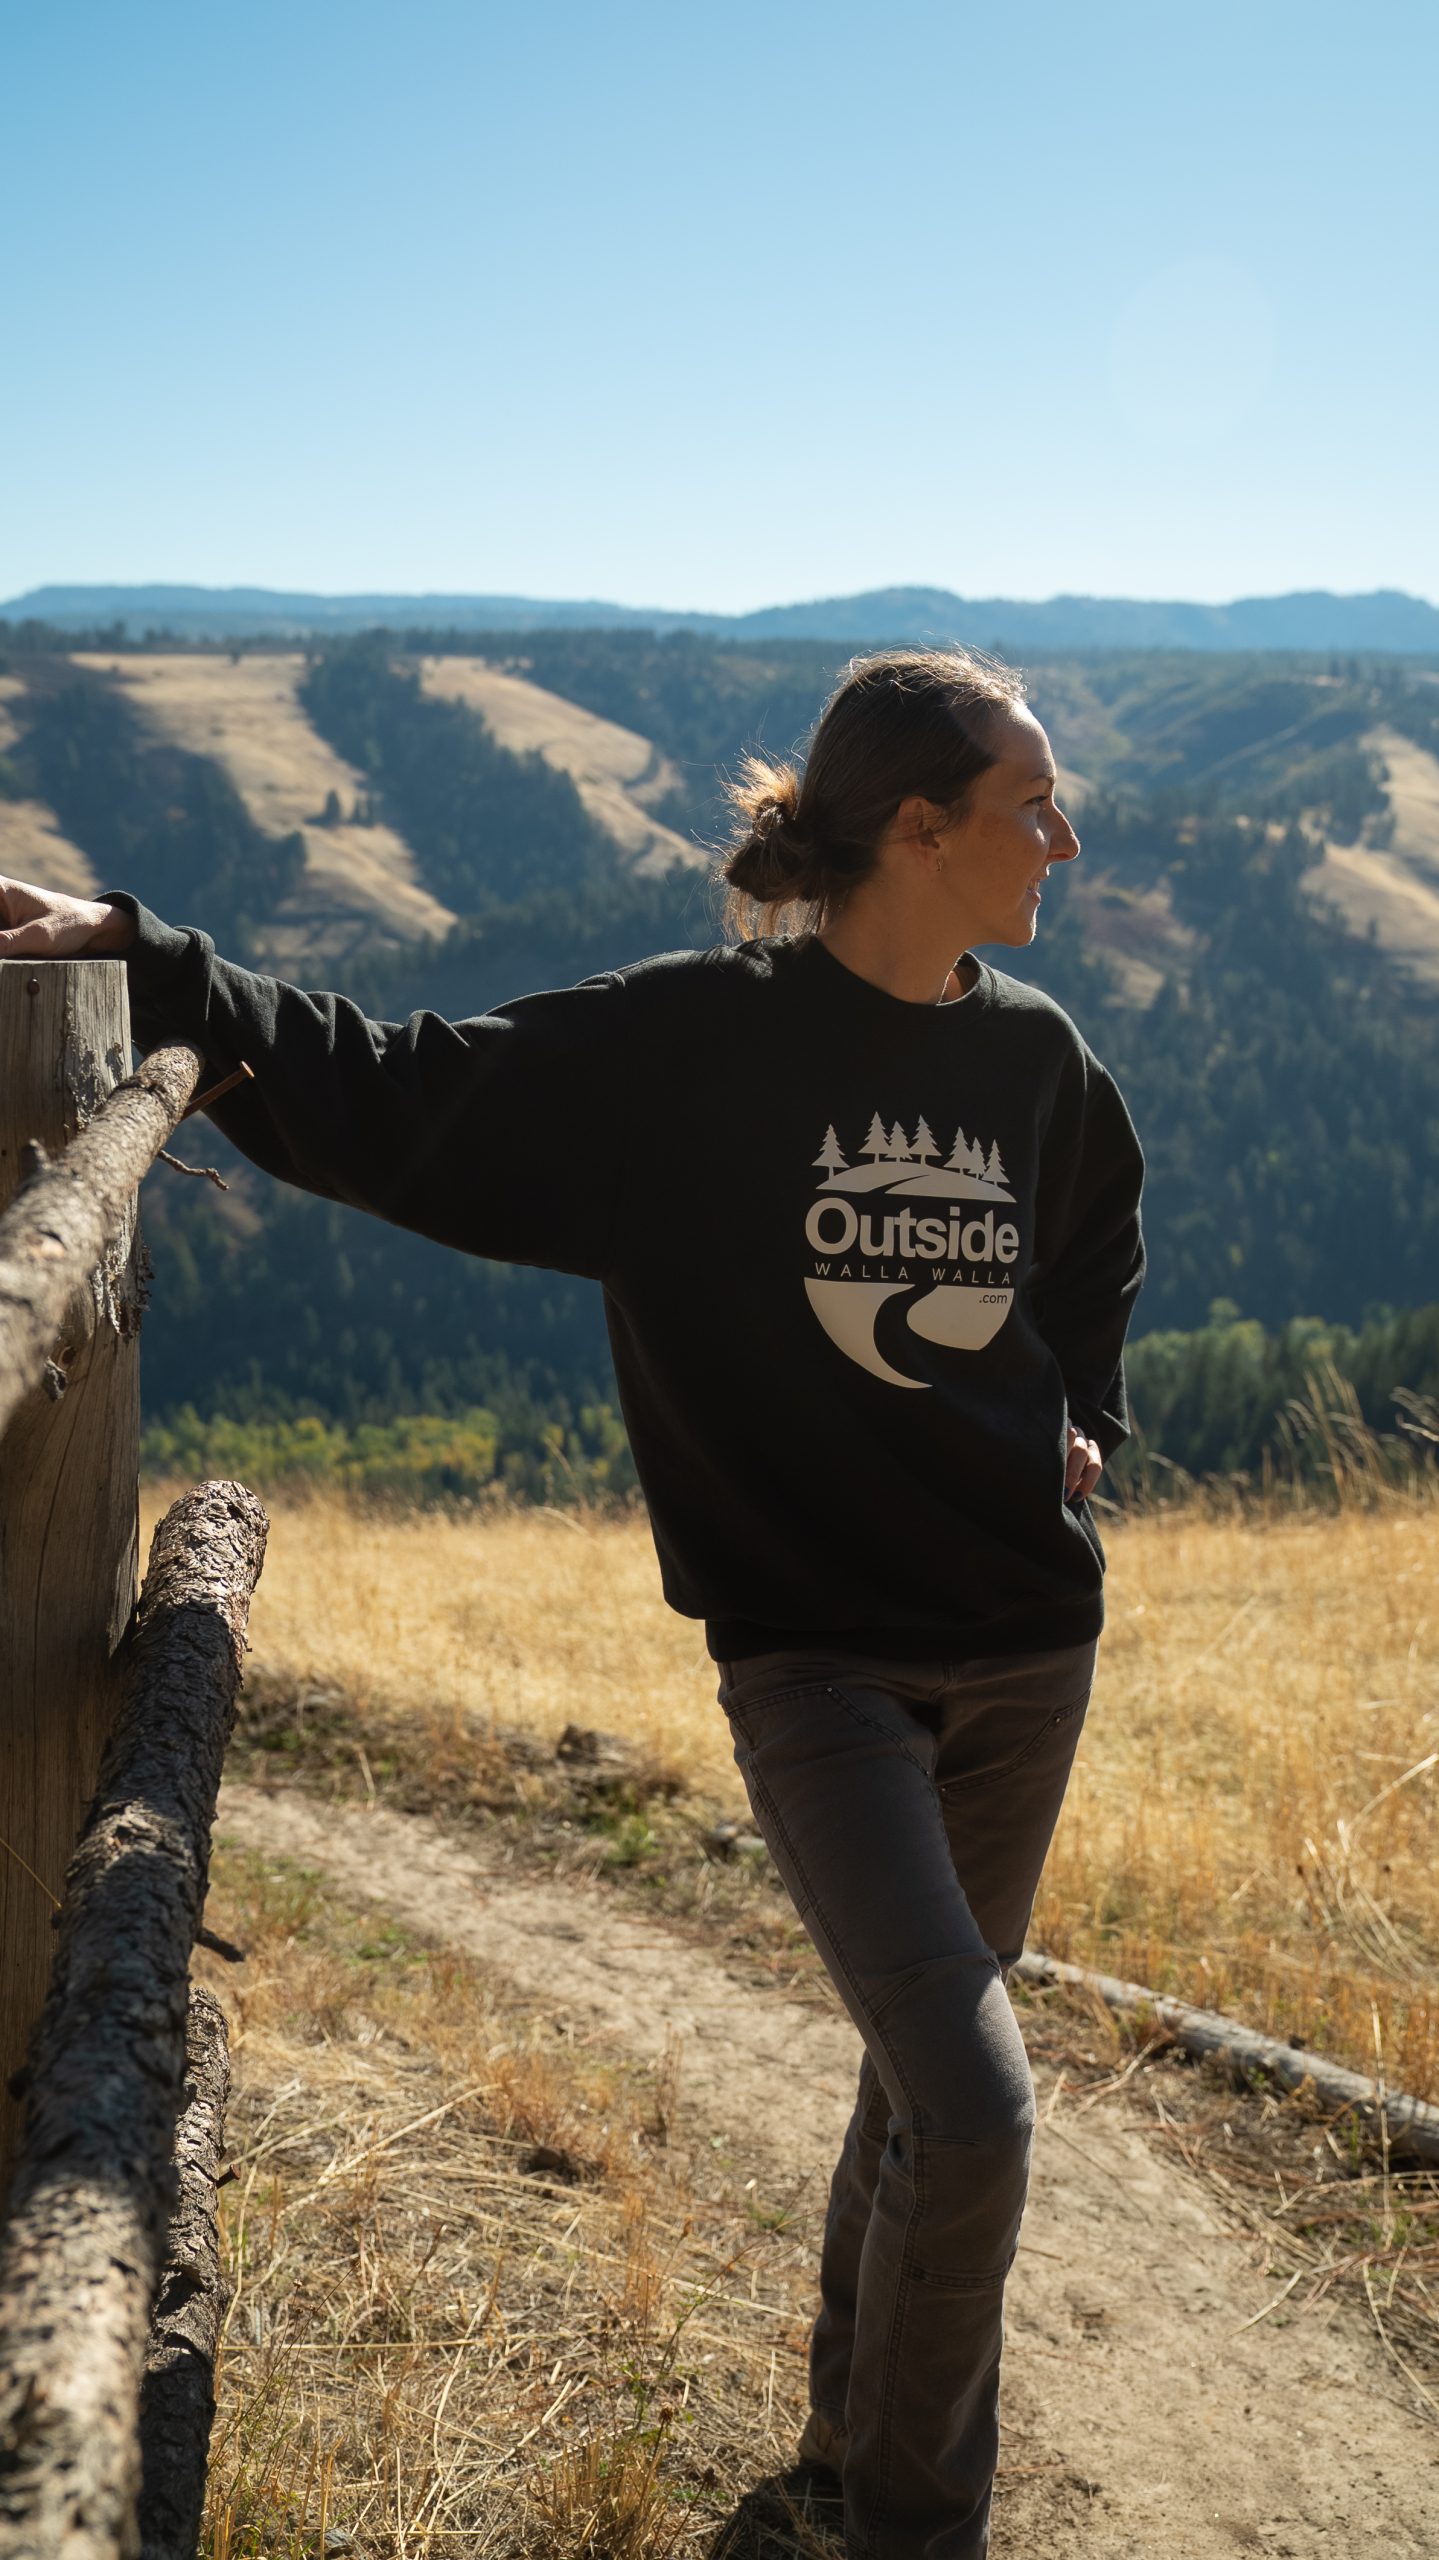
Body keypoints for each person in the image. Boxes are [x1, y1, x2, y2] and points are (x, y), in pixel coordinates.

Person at [0, 646, 1144, 2560]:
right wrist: (158, 958)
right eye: (1035, 803)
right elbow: (402, 1091)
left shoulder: (1035, 1060)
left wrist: (1085, 1407)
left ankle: (844, 2455)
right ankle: (912, 2527)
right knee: (976, 2103)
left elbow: (1098, 1224)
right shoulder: (687, 1050)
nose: (1069, 839)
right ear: (920, 829)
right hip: (818, 1664)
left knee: (923, 2076)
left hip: (1031, 1648)